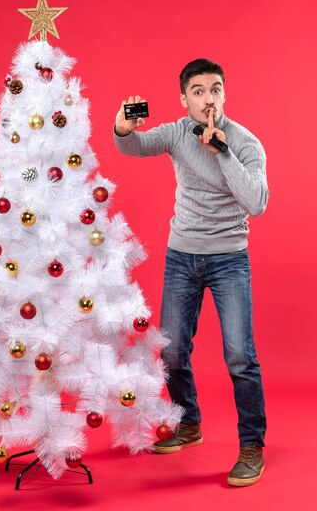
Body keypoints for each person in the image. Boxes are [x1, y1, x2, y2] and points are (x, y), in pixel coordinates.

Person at [113, 58, 268, 487]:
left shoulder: (245, 142)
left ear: (224, 95)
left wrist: (222, 151)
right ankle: (189, 423)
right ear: (184, 100)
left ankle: (252, 446)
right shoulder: (178, 132)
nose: (208, 98)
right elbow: (135, 146)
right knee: (173, 351)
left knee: (240, 355)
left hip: (229, 258)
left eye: (215, 89)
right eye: (198, 91)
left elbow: (256, 202)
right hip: (181, 256)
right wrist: (123, 129)